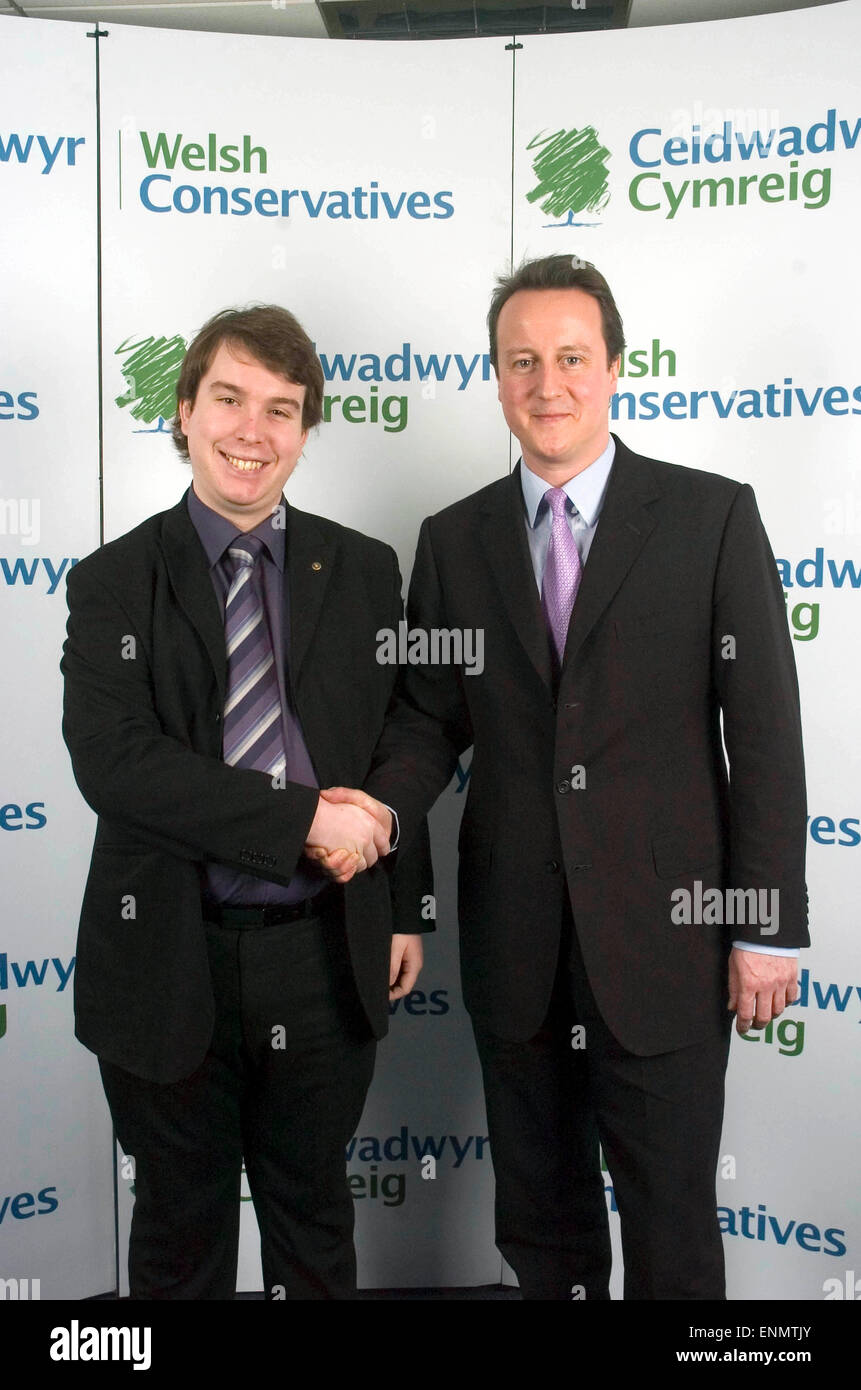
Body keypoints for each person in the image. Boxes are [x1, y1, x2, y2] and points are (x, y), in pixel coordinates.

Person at [325, 254, 808, 1299]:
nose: (550, 383)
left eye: (573, 358)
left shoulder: (711, 516)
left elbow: (764, 732)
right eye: (524, 360)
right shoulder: (452, 541)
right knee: (543, 1227)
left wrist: (763, 923)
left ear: (617, 368)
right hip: (517, 943)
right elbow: (424, 716)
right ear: (498, 377)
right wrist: (376, 801)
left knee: (673, 1226)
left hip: (667, 941)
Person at [61, 304, 430, 1300]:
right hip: (168, 955)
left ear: (306, 433)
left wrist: (402, 897)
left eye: (282, 410)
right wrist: (304, 820)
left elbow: (401, 731)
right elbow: (118, 763)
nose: (252, 432)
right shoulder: (112, 582)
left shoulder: (361, 569)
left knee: (314, 1221)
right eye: (229, 398)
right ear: (184, 412)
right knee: (180, 1234)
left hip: (324, 949)